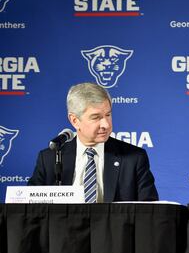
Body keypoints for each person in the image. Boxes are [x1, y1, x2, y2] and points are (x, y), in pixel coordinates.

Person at [28, 82, 159, 202]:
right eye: (96, 117)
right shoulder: (50, 159)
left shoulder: (134, 158)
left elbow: (149, 213)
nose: (106, 124)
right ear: (74, 120)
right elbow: (28, 210)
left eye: (108, 115)